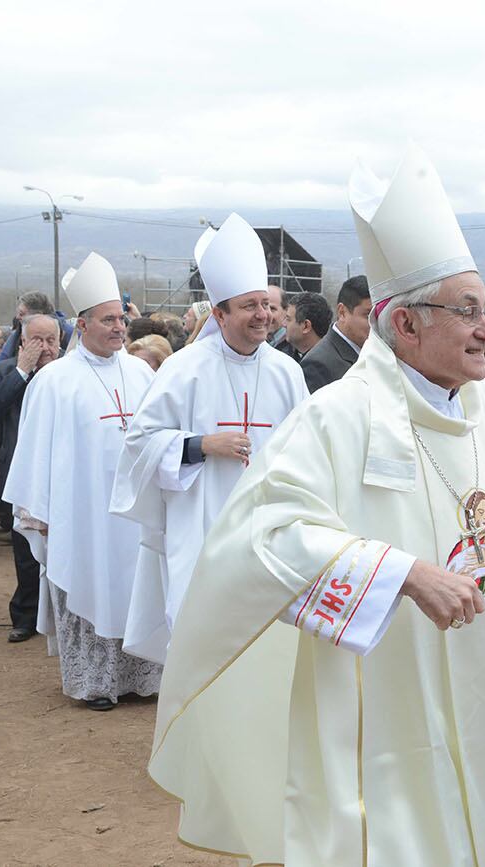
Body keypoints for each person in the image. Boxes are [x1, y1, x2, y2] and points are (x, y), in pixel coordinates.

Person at [148, 143, 485, 864]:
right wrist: (400, 574)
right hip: (378, 695)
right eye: (469, 311)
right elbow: (263, 536)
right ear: (407, 324)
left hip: (473, 674)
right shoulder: (337, 417)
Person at [111, 214, 309, 665]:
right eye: (248, 306)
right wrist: (201, 444)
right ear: (219, 313)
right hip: (201, 521)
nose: (262, 315)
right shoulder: (184, 368)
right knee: (205, 640)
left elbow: (308, 444)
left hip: (268, 522)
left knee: (267, 645)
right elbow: (140, 443)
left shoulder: (287, 371)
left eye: (266, 304)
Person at [2, 253, 161, 711]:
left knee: (136, 587)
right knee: (88, 582)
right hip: (82, 512)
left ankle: (142, 677)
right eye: (107, 319)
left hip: (134, 513)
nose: (118, 328)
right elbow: (33, 451)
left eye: (120, 319)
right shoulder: (54, 380)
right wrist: (39, 512)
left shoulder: (142, 372)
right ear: (82, 324)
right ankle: (95, 683)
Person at [0, 314, 61, 642]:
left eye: (51, 341)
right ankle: (26, 614)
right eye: (37, 340)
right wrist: (22, 371)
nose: (45, 347)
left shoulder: (69, 371)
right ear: (23, 341)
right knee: (26, 548)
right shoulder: (7, 370)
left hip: (62, 471)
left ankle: (62, 612)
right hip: (22, 470)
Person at [300, 275, 371, 392]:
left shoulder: (376, 352)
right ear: (342, 312)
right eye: (368, 315)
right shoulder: (318, 364)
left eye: (378, 314)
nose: (375, 323)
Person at [283, 291, 331, 361]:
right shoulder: (286, 357)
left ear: (306, 326)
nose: (283, 324)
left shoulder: (324, 364)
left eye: (288, 319)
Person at [265, 284, 287, 348]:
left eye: (272, 309)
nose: (265, 315)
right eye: (264, 307)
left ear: (286, 311)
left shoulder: (295, 347)